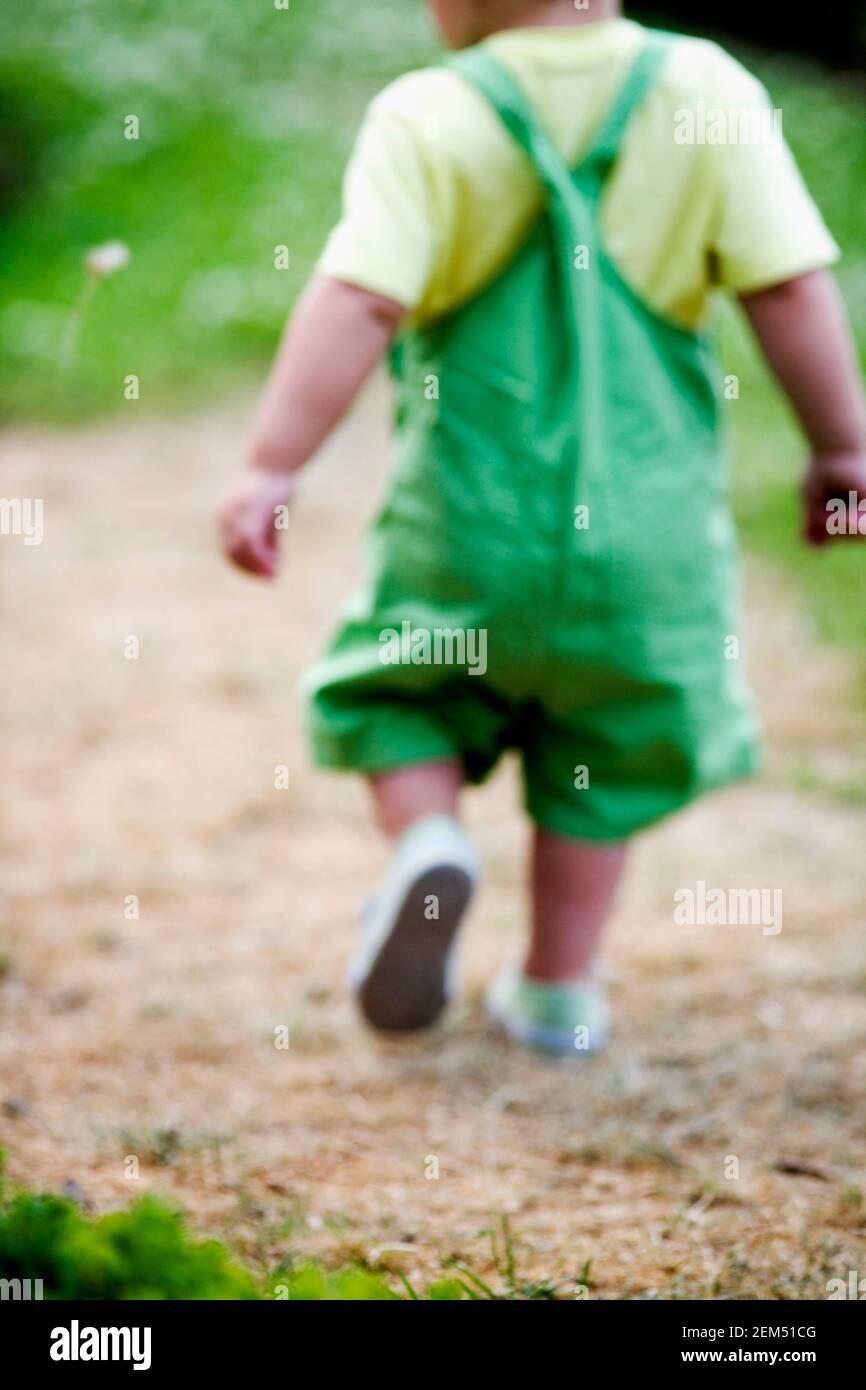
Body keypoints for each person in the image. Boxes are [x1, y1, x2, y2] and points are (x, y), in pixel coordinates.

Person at [220, 1, 866, 1054]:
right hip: (639, 542)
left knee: (398, 691)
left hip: (469, 526)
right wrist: (840, 451)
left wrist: (269, 466)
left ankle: (430, 844)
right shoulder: (705, 91)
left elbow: (357, 302)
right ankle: (559, 990)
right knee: (601, 746)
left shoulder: (430, 110)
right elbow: (788, 287)